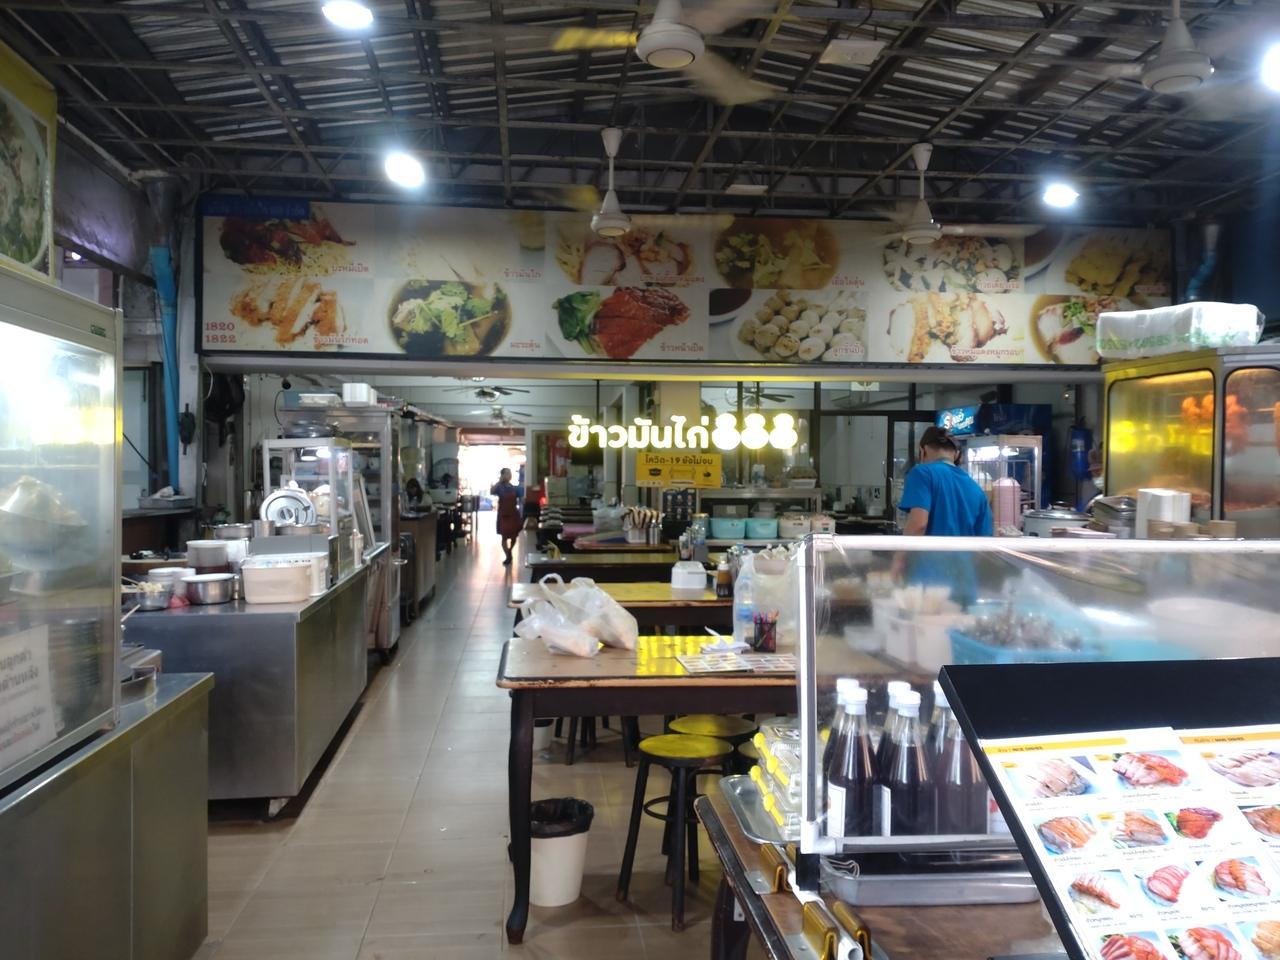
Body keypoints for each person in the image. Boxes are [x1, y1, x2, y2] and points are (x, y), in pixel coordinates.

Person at [896, 426, 991, 605]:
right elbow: (984, 545)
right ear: (956, 454)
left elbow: (918, 524)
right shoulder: (976, 489)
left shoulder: (922, 473)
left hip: (930, 585)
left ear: (922, 451)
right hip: (964, 585)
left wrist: (898, 560)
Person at [490, 468, 524, 566]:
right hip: (503, 514)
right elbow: (492, 491)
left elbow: (521, 498)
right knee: (504, 536)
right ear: (502, 475)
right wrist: (499, 481)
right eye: (507, 473)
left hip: (513, 514)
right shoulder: (499, 487)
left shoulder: (514, 488)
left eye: (510, 473)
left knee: (514, 536)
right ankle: (508, 555)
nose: (509, 475)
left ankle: (509, 551)